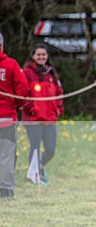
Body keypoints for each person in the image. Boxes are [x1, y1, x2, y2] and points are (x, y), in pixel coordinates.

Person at [21, 44, 64, 184]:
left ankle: (40, 166)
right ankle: (35, 177)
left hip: (50, 118)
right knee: (35, 148)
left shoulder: (51, 73)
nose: (41, 57)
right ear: (33, 56)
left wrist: (59, 109)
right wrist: (30, 108)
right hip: (34, 118)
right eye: (38, 55)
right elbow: (22, 93)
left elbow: (59, 93)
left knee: (51, 149)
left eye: (43, 55)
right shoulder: (27, 72)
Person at [0, 32, 31, 199]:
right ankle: (5, 191)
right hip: (6, 120)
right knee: (6, 155)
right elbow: (22, 90)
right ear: (2, 45)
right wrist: (18, 106)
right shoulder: (11, 65)